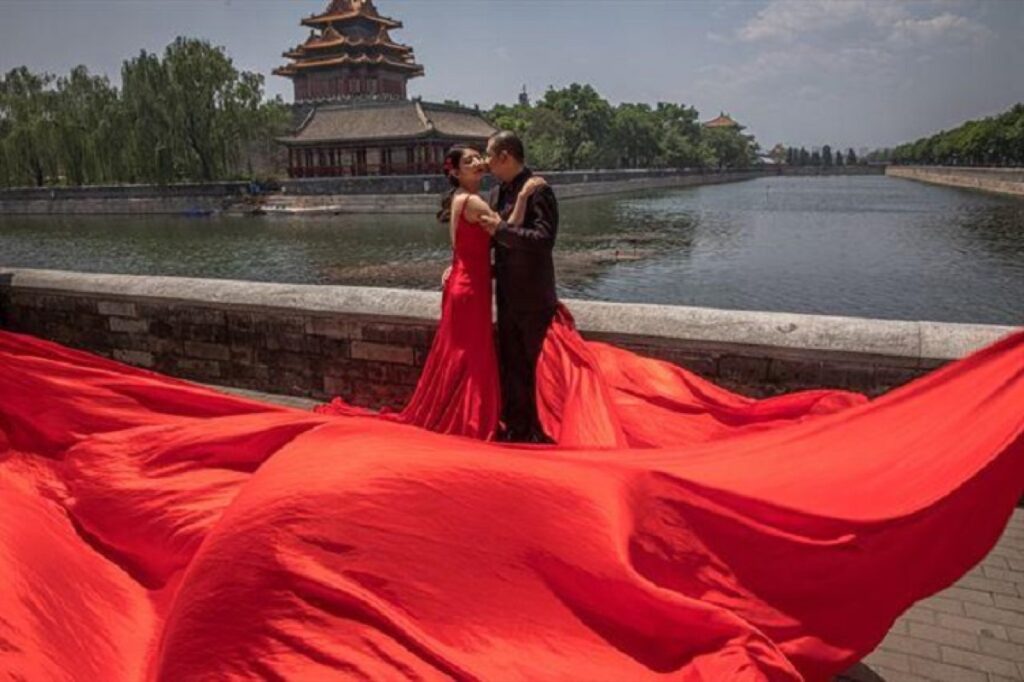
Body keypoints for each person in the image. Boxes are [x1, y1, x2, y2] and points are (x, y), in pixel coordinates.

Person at [315, 143, 545, 440]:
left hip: (462, 282)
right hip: (471, 288)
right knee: (473, 356)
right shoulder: (473, 203)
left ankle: (461, 414)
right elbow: (506, 231)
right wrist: (525, 195)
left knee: (460, 353)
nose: (478, 162)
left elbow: (463, 246)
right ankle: (471, 422)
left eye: (479, 157)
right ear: (457, 172)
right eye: (470, 161)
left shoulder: (461, 199)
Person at [484, 131, 560, 443]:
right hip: (506, 295)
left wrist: (502, 231)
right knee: (511, 363)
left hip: (533, 296)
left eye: (489, 156)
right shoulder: (496, 194)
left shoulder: (539, 190)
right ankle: (516, 426)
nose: (487, 163)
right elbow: (488, 241)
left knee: (537, 365)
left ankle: (542, 429)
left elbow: (544, 241)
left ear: (505, 156)